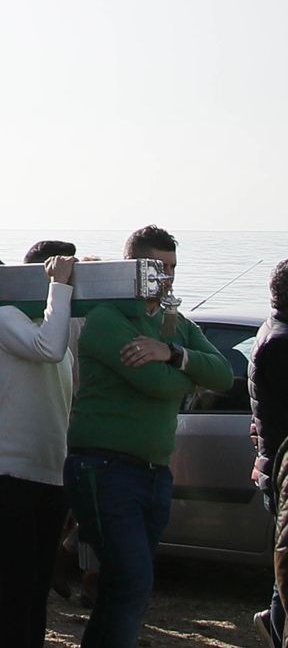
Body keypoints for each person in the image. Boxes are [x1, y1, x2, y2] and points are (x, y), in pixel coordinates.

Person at [64, 225, 233, 648]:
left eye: (173, 267)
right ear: (134, 267)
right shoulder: (107, 318)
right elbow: (158, 384)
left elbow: (225, 374)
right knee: (132, 581)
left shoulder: (175, 324)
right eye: (158, 267)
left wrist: (175, 354)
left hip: (155, 474)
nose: (167, 276)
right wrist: (190, 377)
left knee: (123, 588)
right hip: (105, 469)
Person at [0, 242, 77, 648]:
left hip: (47, 473)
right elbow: (47, 348)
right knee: (17, 588)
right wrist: (59, 288)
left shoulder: (55, 323)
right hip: (5, 472)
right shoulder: (4, 317)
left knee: (36, 590)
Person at [251, 259, 288, 646]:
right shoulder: (280, 343)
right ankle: (277, 628)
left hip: (274, 463)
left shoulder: (273, 330)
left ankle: (275, 623)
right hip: (283, 467)